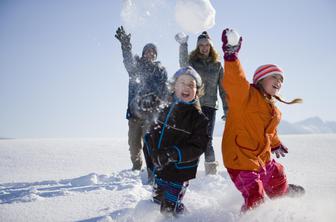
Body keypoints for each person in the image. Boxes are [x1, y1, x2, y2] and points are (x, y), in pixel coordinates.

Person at [220, 28, 305, 211]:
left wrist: (275, 144)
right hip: (240, 160)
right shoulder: (245, 97)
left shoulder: (273, 110)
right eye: (274, 77)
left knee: (277, 173)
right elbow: (235, 80)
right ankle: (252, 215)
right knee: (255, 194)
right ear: (260, 80)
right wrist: (231, 57)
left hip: (261, 158)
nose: (279, 82)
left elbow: (269, 131)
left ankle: (281, 194)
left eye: (281, 80)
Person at [143, 66, 210, 216]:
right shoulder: (163, 108)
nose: (186, 87)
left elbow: (198, 146)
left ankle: (187, 218)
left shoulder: (199, 119)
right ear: (174, 86)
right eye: (182, 82)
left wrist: (173, 154)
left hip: (180, 172)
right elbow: (152, 133)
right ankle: (182, 214)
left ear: (197, 92)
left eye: (191, 85)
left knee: (169, 208)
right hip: (160, 169)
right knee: (157, 199)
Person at [115, 26, 168, 171]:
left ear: (155, 55)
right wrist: (126, 46)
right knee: (133, 146)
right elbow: (128, 62)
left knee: (149, 144)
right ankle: (136, 168)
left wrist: (161, 108)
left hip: (150, 115)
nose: (149, 54)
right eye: (147, 51)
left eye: (152, 52)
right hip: (134, 114)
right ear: (143, 53)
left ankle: (151, 169)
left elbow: (165, 92)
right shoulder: (136, 68)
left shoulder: (160, 72)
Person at [175, 31, 228, 175]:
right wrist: (183, 44)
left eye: (207, 45)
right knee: (189, 138)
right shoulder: (192, 63)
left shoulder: (217, 66)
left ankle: (211, 174)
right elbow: (183, 63)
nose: (204, 48)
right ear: (197, 47)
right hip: (193, 105)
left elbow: (223, 90)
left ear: (211, 46)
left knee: (207, 140)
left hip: (210, 107)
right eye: (201, 45)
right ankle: (184, 172)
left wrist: (227, 110)